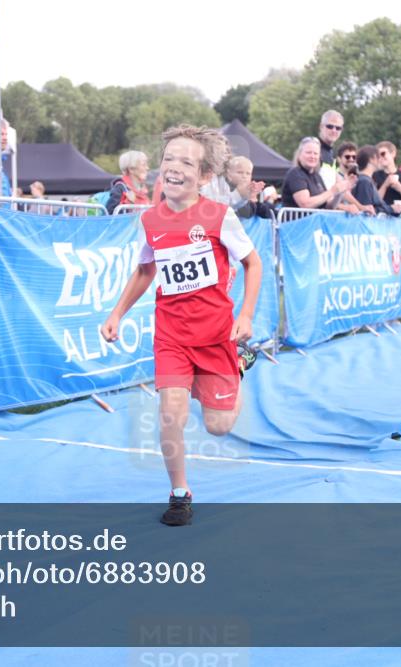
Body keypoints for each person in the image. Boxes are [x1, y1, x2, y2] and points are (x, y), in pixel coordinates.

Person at [101, 125, 262, 527]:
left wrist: (245, 315)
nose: (174, 167)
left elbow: (252, 262)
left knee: (219, 426)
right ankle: (179, 494)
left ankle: (237, 365)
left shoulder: (219, 217)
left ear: (204, 176)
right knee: (171, 413)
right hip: (171, 336)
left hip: (215, 336)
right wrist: (117, 313)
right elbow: (145, 270)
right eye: (169, 159)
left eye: (186, 162)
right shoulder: (151, 220)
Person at [281, 137, 351, 210]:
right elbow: (305, 204)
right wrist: (331, 191)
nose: (312, 156)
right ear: (299, 155)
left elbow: (329, 207)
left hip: (318, 217)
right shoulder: (295, 174)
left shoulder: (317, 176)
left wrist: (340, 191)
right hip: (299, 217)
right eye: (308, 153)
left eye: (315, 153)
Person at [351, 145, 401, 216]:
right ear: (372, 159)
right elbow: (367, 211)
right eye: (379, 157)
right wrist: (391, 208)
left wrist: (391, 208)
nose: (381, 160)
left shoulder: (366, 180)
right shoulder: (364, 182)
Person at [374, 141, 401, 209]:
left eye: (383, 154)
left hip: (400, 214)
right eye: (378, 156)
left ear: (393, 153)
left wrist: (400, 188)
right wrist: (385, 185)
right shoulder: (375, 175)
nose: (381, 157)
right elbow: (374, 201)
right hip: (380, 214)